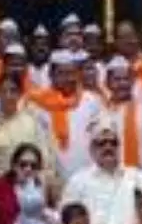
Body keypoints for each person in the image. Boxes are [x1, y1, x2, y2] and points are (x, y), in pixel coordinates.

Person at [61, 123, 140, 224]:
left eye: (113, 143)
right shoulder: (78, 181)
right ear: (92, 149)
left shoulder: (135, 178)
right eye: (101, 143)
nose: (108, 147)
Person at [31, 49, 104, 181]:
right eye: (62, 74)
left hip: (89, 173)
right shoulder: (39, 105)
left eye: (71, 73)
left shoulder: (91, 101)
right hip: (52, 177)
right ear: (51, 76)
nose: (68, 79)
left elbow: (100, 138)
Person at [0, 72, 54, 178]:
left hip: (29, 183)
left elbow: (44, 155)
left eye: (13, 91)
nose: (8, 96)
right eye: (4, 91)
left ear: (20, 94)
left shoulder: (31, 121)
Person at [101, 55, 142, 172]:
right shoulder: (100, 114)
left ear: (132, 82)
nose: (122, 83)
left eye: (126, 79)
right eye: (117, 79)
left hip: (138, 181)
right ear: (107, 83)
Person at [27, 24, 53, 90]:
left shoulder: (53, 69)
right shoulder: (25, 69)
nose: (40, 48)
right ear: (31, 47)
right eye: (37, 45)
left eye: (44, 45)